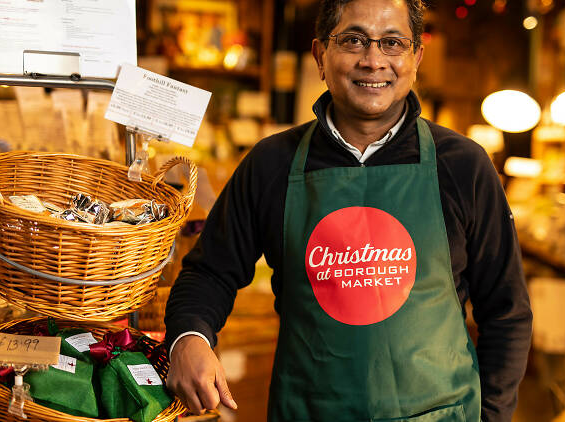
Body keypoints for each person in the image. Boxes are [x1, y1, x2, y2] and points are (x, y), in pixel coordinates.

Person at [165, 0, 532, 420]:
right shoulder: (272, 163)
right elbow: (210, 271)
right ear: (321, 55)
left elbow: (507, 311)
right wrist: (188, 338)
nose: (373, 61)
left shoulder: (463, 165)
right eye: (354, 40)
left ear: (416, 58)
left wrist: (492, 415)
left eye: (393, 43)